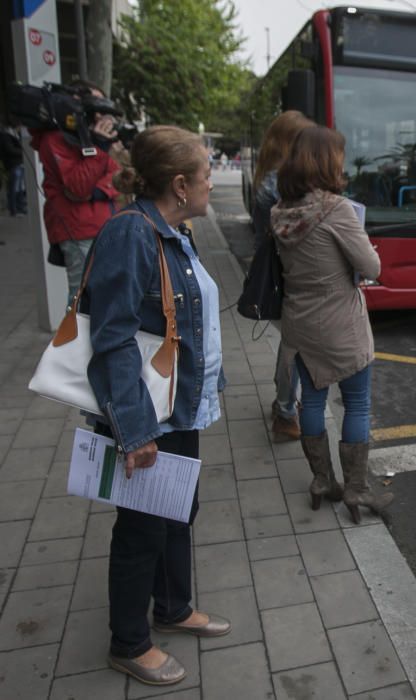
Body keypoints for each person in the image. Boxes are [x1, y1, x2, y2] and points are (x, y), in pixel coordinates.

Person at [84, 125, 230, 686]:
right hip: (149, 413)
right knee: (142, 526)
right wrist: (135, 431)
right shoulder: (132, 233)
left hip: (182, 408)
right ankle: (128, 641)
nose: (211, 184)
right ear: (178, 183)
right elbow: (113, 337)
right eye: (206, 176)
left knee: (178, 511)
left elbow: (191, 321)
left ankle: (172, 607)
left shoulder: (174, 230)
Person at [270, 125, 390, 522]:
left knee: (313, 400)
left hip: (299, 324)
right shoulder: (336, 209)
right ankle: (356, 489)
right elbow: (370, 266)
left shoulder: (279, 210)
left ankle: (322, 481)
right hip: (341, 324)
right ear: (325, 162)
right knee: (356, 403)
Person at [251, 111, 315, 440]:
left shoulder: (270, 176)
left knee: (291, 343)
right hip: (292, 274)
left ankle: (284, 404)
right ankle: (287, 412)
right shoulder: (280, 182)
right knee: (296, 346)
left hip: (283, 272)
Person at [32, 81, 122, 301]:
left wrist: (98, 192)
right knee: (82, 299)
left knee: (106, 295)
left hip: (103, 224)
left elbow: (117, 176)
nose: (102, 116)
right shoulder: (55, 139)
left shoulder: (88, 138)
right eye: (95, 107)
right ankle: (74, 337)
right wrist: (99, 147)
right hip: (78, 229)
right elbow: (78, 186)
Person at [1, 124, 27, 216]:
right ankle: (14, 209)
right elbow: (10, 150)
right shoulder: (5, 136)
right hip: (13, 164)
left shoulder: (12, 136)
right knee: (14, 187)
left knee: (19, 187)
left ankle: (19, 208)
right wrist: (24, 152)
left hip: (18, 163)